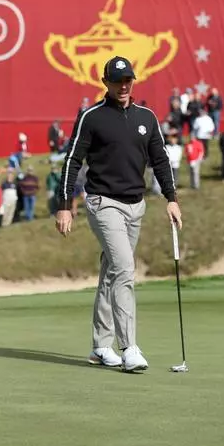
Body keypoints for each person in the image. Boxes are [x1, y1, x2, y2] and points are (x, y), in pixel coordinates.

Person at [55, 56, 183, 373]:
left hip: (135, 205)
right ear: (106, 83)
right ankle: (129, 348)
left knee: (112, 271)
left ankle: (101, 345)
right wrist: (64, 204)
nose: (124, 86)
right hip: (102, 202)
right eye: (118, 81)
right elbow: (72, 160)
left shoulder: (147, 117)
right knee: (125, 267)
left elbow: (161, 160)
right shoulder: (92, 117)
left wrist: (171, 198)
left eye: (128, 80)